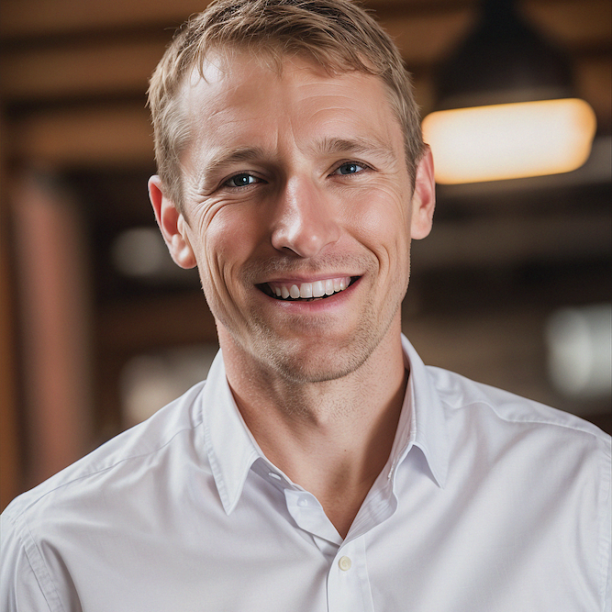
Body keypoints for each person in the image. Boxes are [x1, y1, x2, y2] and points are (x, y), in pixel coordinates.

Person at [1, 0, 610, 610]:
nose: (300, 230)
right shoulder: (54, 557)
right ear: (174, 223)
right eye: (241, 179)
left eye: (348, 167)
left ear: (420, 194)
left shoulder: (589, 500)